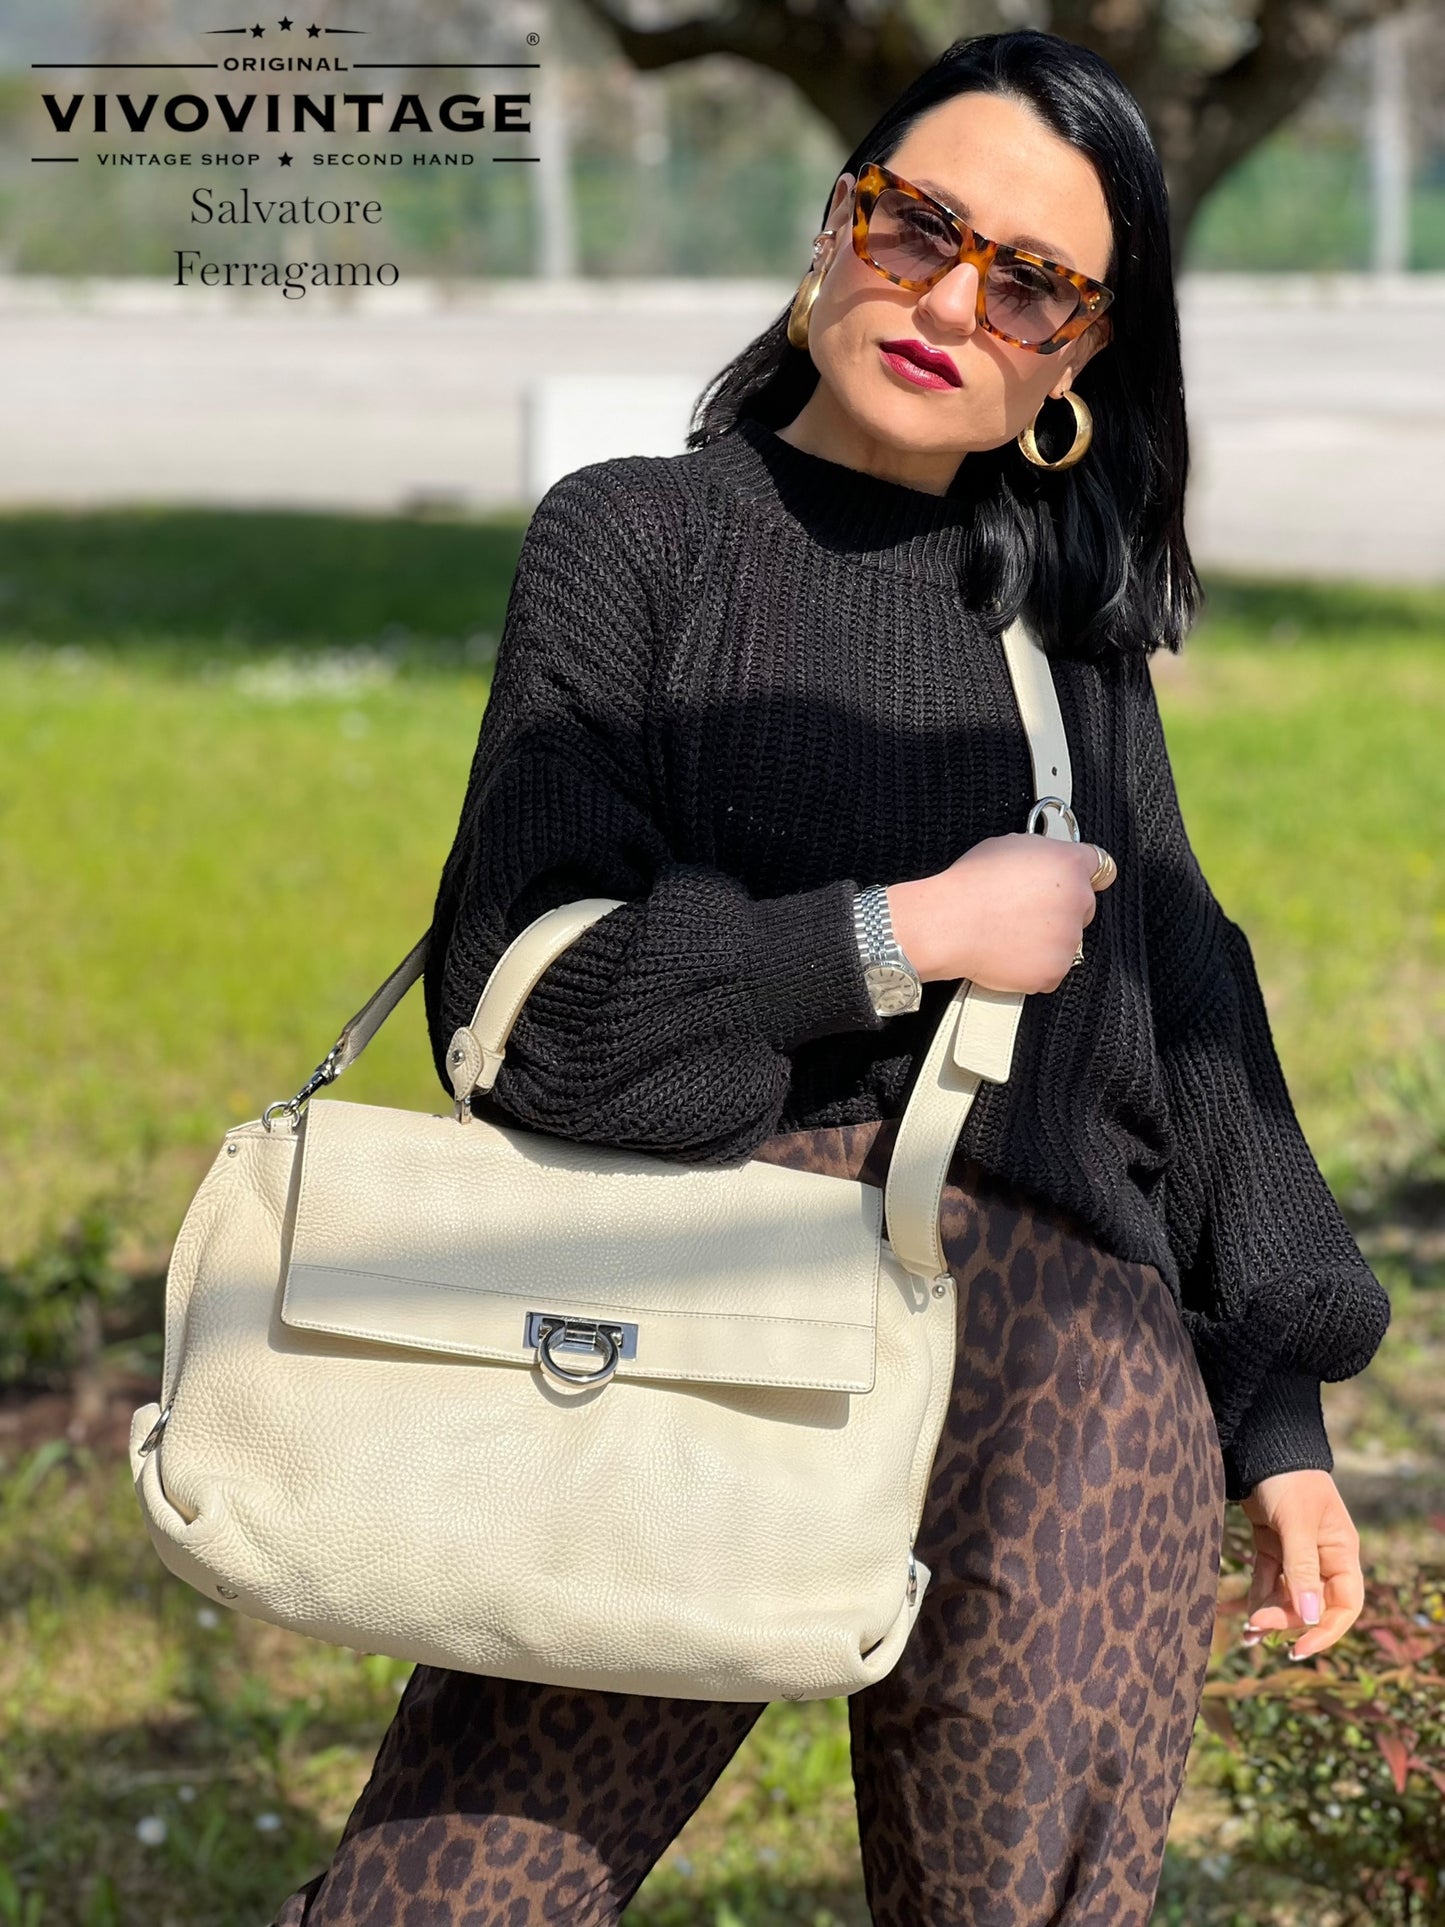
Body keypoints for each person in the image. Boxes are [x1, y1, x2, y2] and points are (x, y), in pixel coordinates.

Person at [269, 27, 1390, 1927]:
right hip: (682, 1333)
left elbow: (1188, 1005)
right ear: (832, 226)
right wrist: (899, 933)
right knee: (442, 1902)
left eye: (1029, 284)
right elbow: (529, 1018)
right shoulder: (633, 541)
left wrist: (1272, 1422)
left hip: (1067, 1380)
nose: (950, 302)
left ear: (1077, 358)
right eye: (916, 228)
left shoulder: (1063, 639)